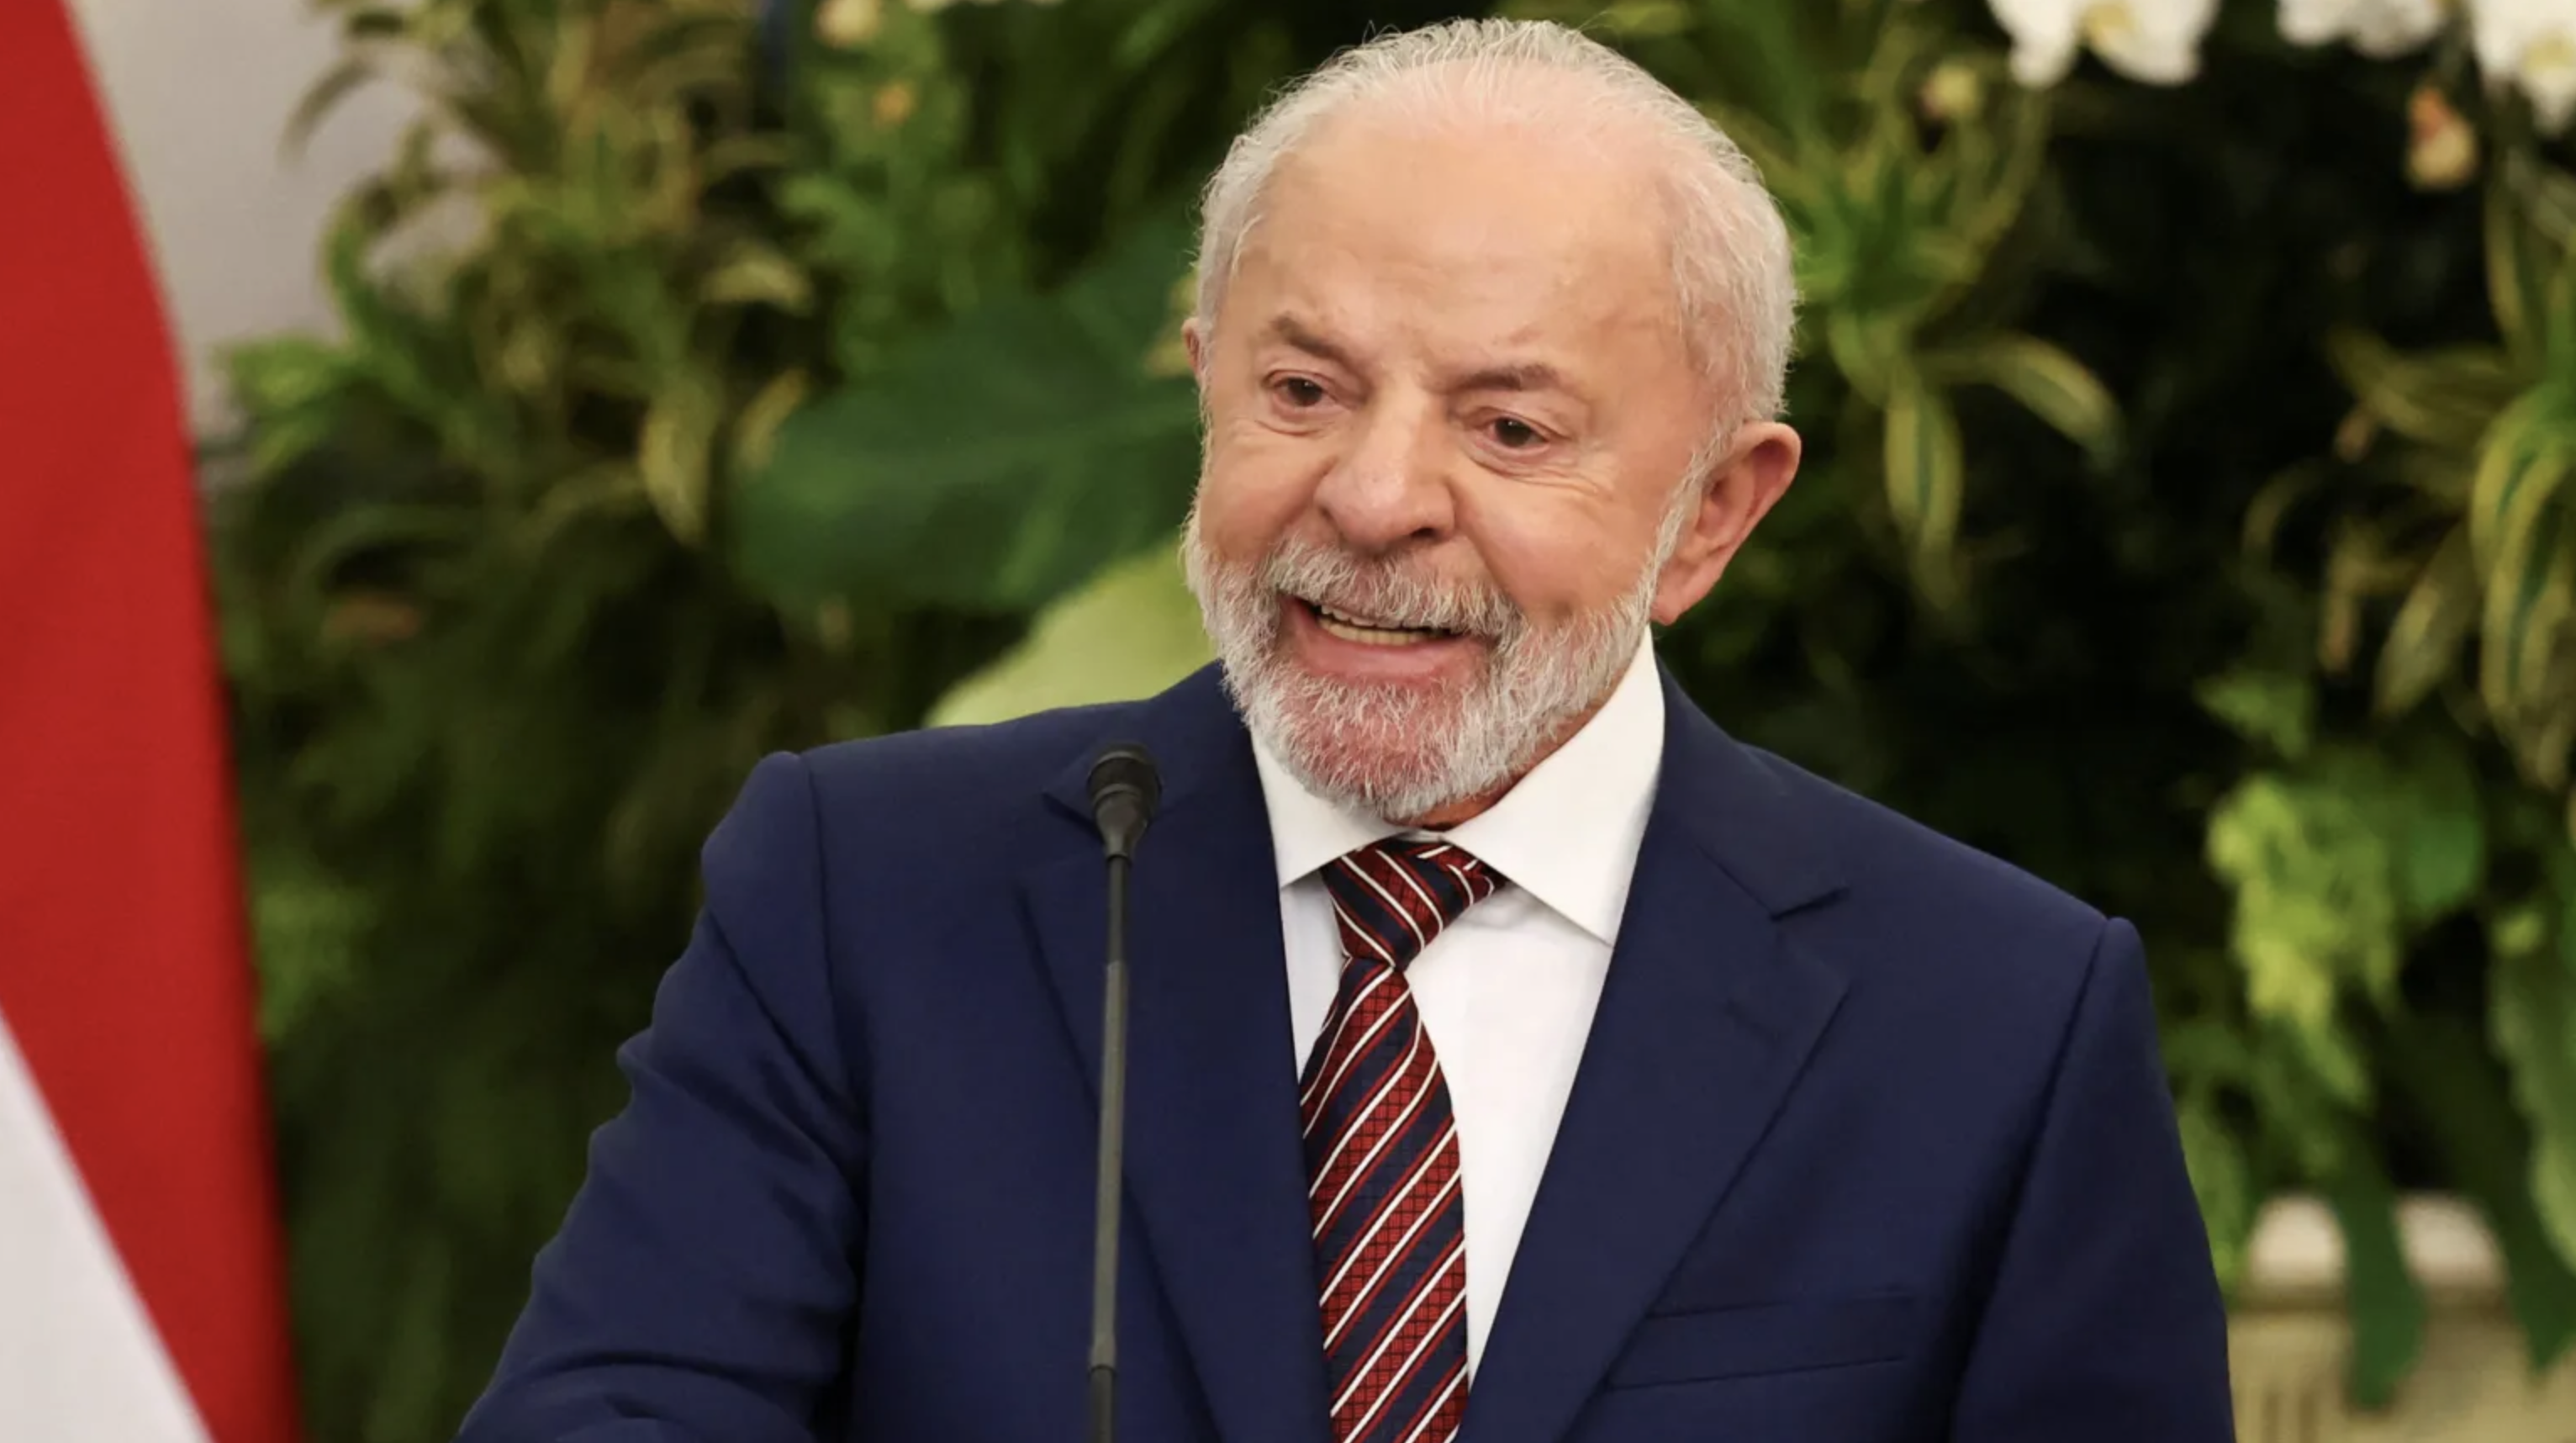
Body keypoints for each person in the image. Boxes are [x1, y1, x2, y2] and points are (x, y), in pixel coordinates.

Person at [457, 18, 2234, 1443]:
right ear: (1205, 383)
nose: (1375, 498)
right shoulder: (867, 897)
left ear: (1712, 511)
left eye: (1509, 429)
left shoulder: (1996, 1019)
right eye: (1301, 391)